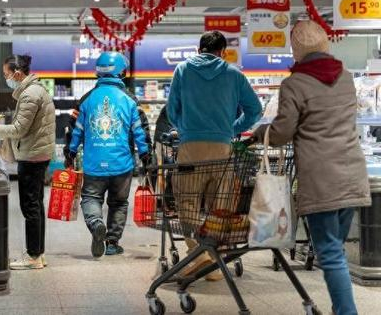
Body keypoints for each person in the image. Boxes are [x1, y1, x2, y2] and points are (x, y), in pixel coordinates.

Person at [252, 20, 371, 315]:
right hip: (353, 173)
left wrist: (261, 132)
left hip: (321, 180)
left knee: (330, 254)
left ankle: (346, 312)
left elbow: (282, 132)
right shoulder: (345, 77)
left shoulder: (294, 84)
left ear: (296, 51)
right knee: (335, 250)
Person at [168, 31, 262, 280]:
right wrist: (232, 129)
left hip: (190, 149)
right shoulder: (234, 74)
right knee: (220, 205)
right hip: (222, 149)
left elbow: (172, 110)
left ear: (199, 50)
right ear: (223, 52)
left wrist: (185, 129)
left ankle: (198, 254)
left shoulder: (182, 70)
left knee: (187, 201)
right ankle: (214, 257)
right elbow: (255, 109)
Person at [64, 51, 153, 258]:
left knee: (90, 197)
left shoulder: (86, 100)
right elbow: (140, 130)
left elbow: (75, 130)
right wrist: (146, 155)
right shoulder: (130, 100)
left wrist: (70, 152)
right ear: (122, 72)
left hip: (94, 163)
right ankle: (112, 243)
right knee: (119, 203)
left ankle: (96, 223)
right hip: (122, 163)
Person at [0, 54, 56, 270]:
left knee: (30, 206)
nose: (6, 78)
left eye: (7, 74)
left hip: (32, 156)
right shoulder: (36, 90)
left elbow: (20, 129)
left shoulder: (30, 94)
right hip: (38, 153)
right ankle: (38, 253)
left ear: (18, 73)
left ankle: (33, 257)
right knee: (36, 205)